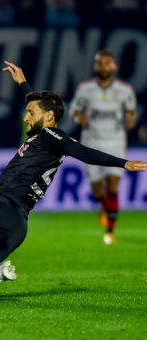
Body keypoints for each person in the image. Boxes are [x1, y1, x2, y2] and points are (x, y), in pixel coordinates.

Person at [0, 61, 146, 294]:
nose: (26, 118)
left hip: (1, 204)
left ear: (50, 116)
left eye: (31, 113)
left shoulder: (50, 136)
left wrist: (123, 163)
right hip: (18, 224)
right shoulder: (43, 137)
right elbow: (38, 106)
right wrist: (23, 84)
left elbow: (83, 153)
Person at [69, 51, 137, 245]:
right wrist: (78, 118)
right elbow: (74, 112)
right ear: (96, 66)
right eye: (101, 64)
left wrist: (130, 120)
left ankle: (110, 230)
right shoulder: (85, 89)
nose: (104, 67)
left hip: (115, 142)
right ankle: (104, 206)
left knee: (113, 184)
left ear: (113, 66)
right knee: (98, 191)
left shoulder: (125, 90)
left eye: (108, 64)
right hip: (92, 143)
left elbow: (131, 112)